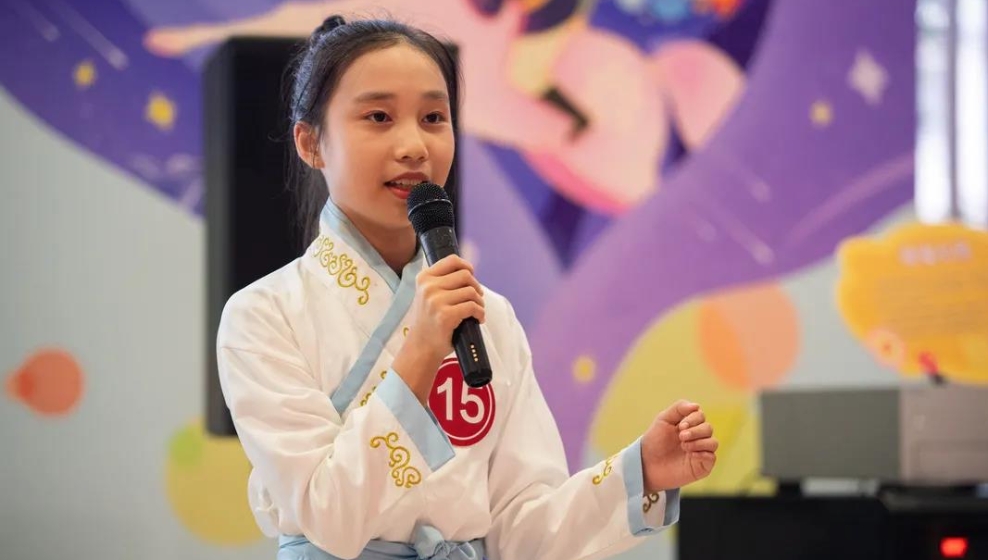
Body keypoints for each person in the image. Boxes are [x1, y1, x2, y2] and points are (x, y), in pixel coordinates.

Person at [216, 14, 718, 560]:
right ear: (311, 143)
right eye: (379, 117)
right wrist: (421, 351)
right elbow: (328, 516)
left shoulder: (489, 318)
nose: (414, 145)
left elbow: (521, 533)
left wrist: (640, 473)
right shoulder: (263, 315)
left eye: (434, 117)